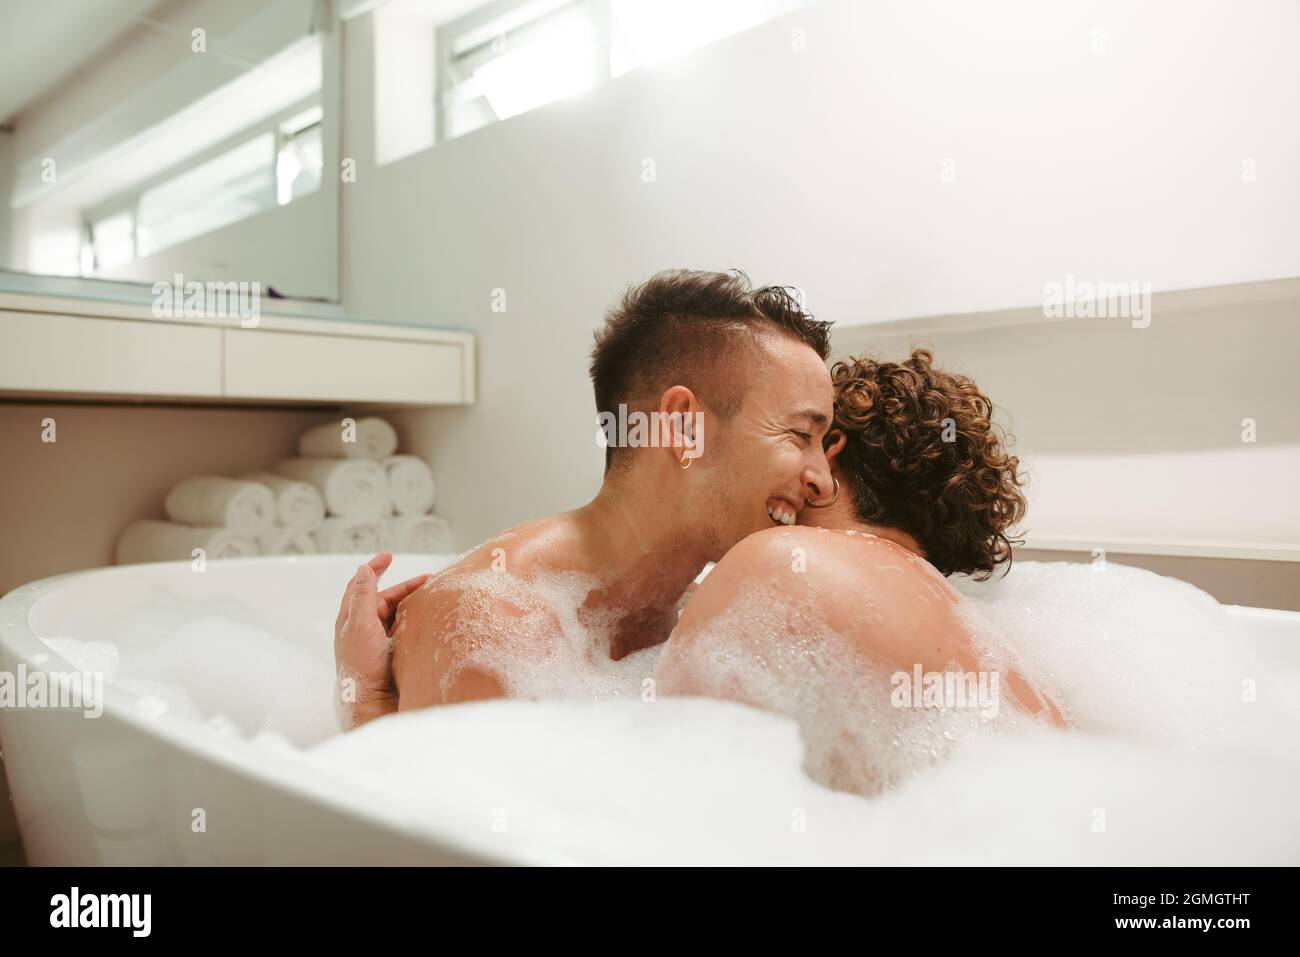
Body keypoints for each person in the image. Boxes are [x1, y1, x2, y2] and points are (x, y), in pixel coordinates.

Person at [334, 269, 837, 727]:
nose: (825, 482)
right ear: (684, 428)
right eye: (799, 434)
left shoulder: (693, 620)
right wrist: (366, 704)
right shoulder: (489, 626)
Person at [654, 348, 1065, 792]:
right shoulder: (986, 638)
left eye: (802, 437)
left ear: (829, 451)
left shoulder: (778, 562)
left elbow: (677, 782)